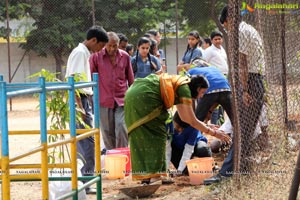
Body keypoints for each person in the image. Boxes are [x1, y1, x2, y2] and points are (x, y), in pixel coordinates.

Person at [124, 73, 231, 183]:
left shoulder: (181, 85)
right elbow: (191, 120)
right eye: (202, 92)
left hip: (132, 93)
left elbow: (186, 119)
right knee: (158, 136)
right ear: (198, 88)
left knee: (143, 136)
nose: (202, 96)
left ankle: (147, 177)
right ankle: (155, 177)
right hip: (145, 97)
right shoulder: (184, 88)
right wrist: (214, 133)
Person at [204, 5, 267, 184]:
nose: (226, 30)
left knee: (241, 131)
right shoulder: (248, 28)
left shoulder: (239, 31)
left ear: (228, 20)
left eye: (225, 26)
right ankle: (243, 170)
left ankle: (225, 174)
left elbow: (243, 63)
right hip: (256, 80)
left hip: (251, 83)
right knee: (245, 132)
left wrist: (245, 89)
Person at [65, 26, 108, 194]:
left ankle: (85, 181)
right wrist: (80, 107)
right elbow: (73, 81)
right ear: (93, 41)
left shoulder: (84, 53)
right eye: (101, 46)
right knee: (87, 143)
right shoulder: (80, 53)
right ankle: (85, 182)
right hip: (79, 101)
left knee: (86, 143)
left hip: (83, 100)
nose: (100, 50)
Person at [90, 31, 134, 150]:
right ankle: (113, 156)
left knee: (121, 127)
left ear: (118, 44)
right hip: (104, 100)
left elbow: (130, 78)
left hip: (122, 99)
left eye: (115, 45)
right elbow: (90, 78)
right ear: (105, 45)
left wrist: (133, 95)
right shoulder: (96, 57)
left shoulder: (125, 56)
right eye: (109, 45)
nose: (112, 48)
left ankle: (123, 154)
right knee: (107, 132)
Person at [166, 111, 212, 175]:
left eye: (183, 128)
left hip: (195, 146)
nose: (180, 130)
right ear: (173, 120)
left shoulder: (193, 127)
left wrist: (179, 171)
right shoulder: (168, 125)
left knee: (202, 149)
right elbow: (167, 150)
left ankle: (209, 165)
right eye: (178, 126)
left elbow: (188, 151)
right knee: (187, 172)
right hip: (178, 148)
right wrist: (166, 170)